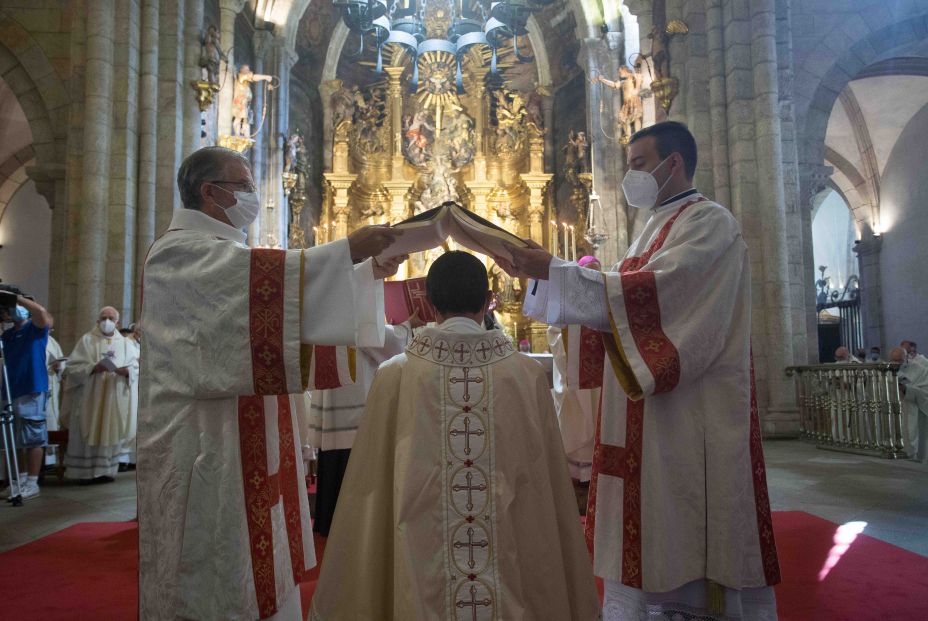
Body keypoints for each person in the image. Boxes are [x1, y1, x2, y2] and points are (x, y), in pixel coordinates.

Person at [498, 121, 780, 620]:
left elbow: (654, 299)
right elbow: (617, 304)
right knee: (649, 524)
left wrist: (558, 272)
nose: (632, 176)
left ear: (674, 163)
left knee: (683, 521)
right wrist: (549, 275)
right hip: (648, 418)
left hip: (691, 418)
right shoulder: (652, 229)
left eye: (639, 164)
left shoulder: (709, 223)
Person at [137, 146, 404, 621]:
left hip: (246, 434)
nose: (252, 196)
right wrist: (347, 252)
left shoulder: (225, 252)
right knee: (214, 566)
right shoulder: (180, 252)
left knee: (250, 558)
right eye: (244, 186)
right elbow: (269, 291)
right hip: (205, 439)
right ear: (210, 192)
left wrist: (362, 271)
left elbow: (287, 306)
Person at [309, 251, 601, 621]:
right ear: (487, 301)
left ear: (429, 305)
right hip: (509, 558)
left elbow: (371, 491)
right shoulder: (524, 374)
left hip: (418, 561)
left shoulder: (395, 375)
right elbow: (547, 491)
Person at [308, 312, 423, 536]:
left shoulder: (337, 290)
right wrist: (407, 326)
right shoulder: (357, 287)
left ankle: (330, 520)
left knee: (336, 456)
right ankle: (350, 525)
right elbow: (378, 339)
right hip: (353, 389)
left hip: (336, 386)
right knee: (354, 453)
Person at [60, 307, 140, 483]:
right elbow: (72, 368)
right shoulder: (87, 341)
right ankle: (83, 473)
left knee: (110, 427)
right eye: (103, 318)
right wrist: (93, 368)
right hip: (90, 396)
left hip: (114, 396)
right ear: (97, 321)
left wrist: (126, 371)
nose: (107, 321)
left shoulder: (126, 344)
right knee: (87, 426)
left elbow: (136, 368)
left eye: (111, 318)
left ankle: (106, 471)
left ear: (117, 323)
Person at [547, 255, 603, 493]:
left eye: (595, 273)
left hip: (598, 383)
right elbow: (554, 336)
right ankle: (574, 485)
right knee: (575, 420)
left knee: (596, 421)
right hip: (574, 380)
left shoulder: (604, 304)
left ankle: (593, 483)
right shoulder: (565, 304)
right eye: (588, 272)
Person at [0, 295, 52, 500]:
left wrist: (17, 298)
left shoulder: (35, 329)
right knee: (15, 438)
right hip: (11, 389)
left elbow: (41, 314)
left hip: (32, 387)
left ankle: (32, 481)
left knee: (33, 437)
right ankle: (19, 479)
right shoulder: (8, 335)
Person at [891, 347, 928, 463]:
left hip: (913, 412)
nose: (896, 364)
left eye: (899, 361)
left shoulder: (921, 371)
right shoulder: (887, 370)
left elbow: (925, 394)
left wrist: (907, 390)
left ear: (907, 358)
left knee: (912, 441)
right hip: (893, 412)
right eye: (894, 361)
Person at [45, 329, 65, 431]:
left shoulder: (52, 341)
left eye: (50, 329)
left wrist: (59, 367)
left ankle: (50, 445)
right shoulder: (28, 340)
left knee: (51, 415)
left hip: (51, 381)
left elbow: (61, 361)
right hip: (37, 385)